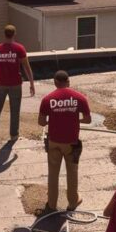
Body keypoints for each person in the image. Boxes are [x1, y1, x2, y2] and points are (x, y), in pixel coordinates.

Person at [38, 70, 91, 213]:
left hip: (54, 141)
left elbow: (41, 122)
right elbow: (88, 119)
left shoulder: (48, 99)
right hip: (71, 143)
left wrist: (55, 118)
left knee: (53, 173)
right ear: (68, 81)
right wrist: (75, 119)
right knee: (72, 172)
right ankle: (73, 202)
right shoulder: (79, 98)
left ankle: (52, 205)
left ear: (55, 83)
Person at [0, 25, 35, 144]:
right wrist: (32, 83)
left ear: (4, 34)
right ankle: (14, 135)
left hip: (1, 84)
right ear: (14, 34)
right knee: (15, 110)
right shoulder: (19, 48)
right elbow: (27, 67)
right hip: (15, 84)